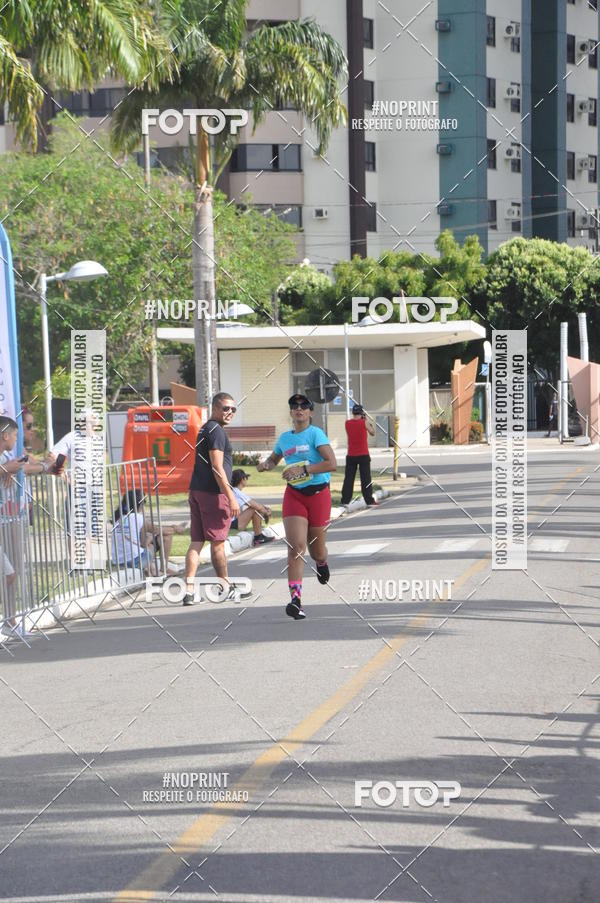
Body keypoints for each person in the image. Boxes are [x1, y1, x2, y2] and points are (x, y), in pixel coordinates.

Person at [257, 393, 336, 621]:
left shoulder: (316, 434)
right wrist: (266, 464)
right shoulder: (285, 439)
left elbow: (332, 463)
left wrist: (303, 470)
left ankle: (321, 562)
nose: (299, 409)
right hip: (294, 495)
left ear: (310, 412)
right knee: (296, 547)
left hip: (319, 495)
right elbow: (274, 459)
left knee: (316, 550)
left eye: (304, 406)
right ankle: (296, 601)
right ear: (291, 412)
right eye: (294, 406)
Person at [184, 391, 249, 606]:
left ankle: (189, 591)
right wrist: (231, 497)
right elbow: (217, 467)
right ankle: (226, 587)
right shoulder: (217, 431)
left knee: (196, 542)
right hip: (213, 494)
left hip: (197, 491)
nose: (230, 412)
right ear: (214, 408)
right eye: (225, 408)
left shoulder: (205, 429)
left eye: (233, 409)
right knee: (218, 544)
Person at [111, 489, 186, 576]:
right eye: (144, 502)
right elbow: (157, 533)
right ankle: (158, 570)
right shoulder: (138, 518)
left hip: (118, 562)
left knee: (149, 539)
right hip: (135, 561)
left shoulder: (118, 518)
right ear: (139, 504)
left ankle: (152, 569)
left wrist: (172, 527)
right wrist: (176, 528)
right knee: (161, 539)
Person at [341, 403, 378, 507]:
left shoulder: (347, 423)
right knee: (366, 479)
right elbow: (372, 433)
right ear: (362, 413)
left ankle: (345, 500)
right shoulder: (364, 422)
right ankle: (369, 501)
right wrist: (366, 421)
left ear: (353, 413)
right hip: (363, 454)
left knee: (349, 479)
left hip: (351, 455)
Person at [230, 469, 274, 546]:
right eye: (246, 478)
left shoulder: (234, 491)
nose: (247, 480)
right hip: (232, 523)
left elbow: (253, 503)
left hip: (232, 521)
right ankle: (258, 537)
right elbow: (255, 505)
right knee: (254, 508)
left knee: (255, 508)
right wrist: (267, 512)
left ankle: (258, 537)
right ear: (242, 479)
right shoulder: (236, 492)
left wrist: (264, 508)